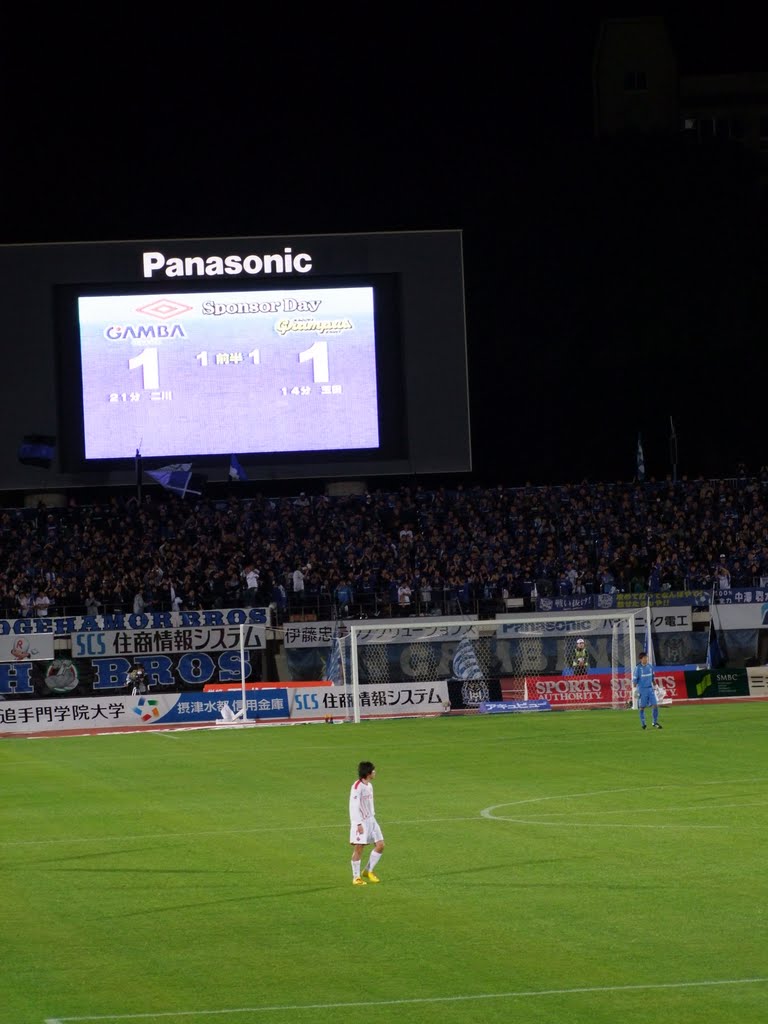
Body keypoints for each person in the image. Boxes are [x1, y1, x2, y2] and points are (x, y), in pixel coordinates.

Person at [349, 760, 385, 886]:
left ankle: (368, 871)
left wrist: (373, 819)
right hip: (361, 822)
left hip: (371, 820)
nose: (375, 772)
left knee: (380, 845)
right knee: (359, 848)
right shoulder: (357, 787)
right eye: (373, 770)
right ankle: (356, 877)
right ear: (368, 772)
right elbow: (353, 806)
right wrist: (358, 824)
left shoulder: (369, 786)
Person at [632, 650, 661, 730]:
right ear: (641, 659)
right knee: (642, 707)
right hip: (642, 690)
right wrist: (634, 689)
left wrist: (657, 687)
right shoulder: (638, 668)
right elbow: (635, 680)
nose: (646, 659)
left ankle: (654, 722)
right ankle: (643, 723)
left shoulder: (650, 667)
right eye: (645, 658)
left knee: (655, 705)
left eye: (646, 657)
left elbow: (652, 678)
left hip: (650, 689)